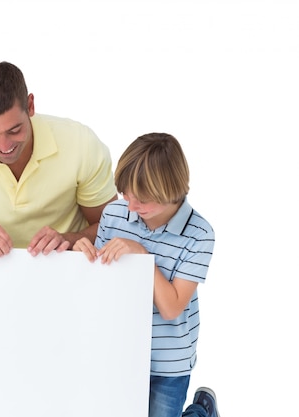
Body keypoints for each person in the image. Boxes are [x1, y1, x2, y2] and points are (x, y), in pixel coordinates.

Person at [72, 133, 219, 417]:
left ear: (170, 192)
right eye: (126, 194)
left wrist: (142, 258)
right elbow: (103, 284)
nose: (130, 206)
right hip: (118, 350)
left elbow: (171, 307)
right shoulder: (115, 214)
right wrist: (83, 256)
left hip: (167, 362)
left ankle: (201, 411)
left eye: (142, 200)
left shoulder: (200, 234)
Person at [0, 61, 118, 257]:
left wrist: (68, 240)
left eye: (14, 130)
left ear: (30, 106)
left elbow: (111, 226)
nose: (4, 146)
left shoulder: (82, 144)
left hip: (68, 267)